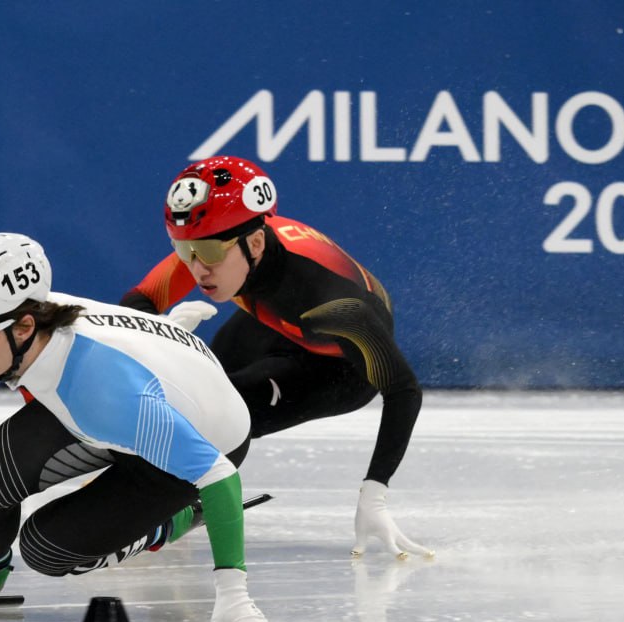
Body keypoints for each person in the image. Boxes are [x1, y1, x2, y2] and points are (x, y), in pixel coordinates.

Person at [0, 233, 289, 622]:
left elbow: (218, 473)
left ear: (24, 327)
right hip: (139, 395)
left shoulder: (101, 395)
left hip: (195, 435)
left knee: (46, 551)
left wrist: (233, 593)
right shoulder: (29, 315)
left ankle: (182, 515)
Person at [120, 155, 432, 559]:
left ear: (255, 242)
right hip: (274, 321)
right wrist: (155, 337)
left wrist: (375, 493)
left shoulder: (333, 304)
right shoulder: (228, 246)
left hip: (338, 368)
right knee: (191, 394)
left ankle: (178, 507)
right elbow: (140, 302)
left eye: (208, 251)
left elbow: (404, 389)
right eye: (183, 249)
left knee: (221, 413)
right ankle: (140, 482)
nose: (197, 269)